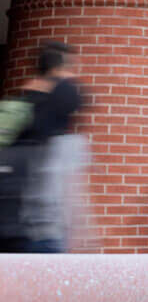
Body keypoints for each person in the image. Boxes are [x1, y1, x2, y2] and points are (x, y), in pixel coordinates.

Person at [2, 41, 90, 253]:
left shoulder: (17, 109)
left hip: (11, 225)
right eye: (69, 67)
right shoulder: (61, 104)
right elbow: (70, 188)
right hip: (42, 232)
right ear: (57, 69)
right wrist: (84, 233)